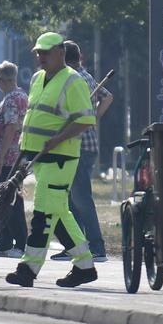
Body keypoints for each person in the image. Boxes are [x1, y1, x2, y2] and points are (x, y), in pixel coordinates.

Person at [3, 32, 100, 289]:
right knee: (59, 213)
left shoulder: (73, 81)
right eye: (38, 52)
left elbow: (85, 120)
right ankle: (84, 266)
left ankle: (27, 269)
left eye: (45, 52)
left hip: (61, 158)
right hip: (38, 157)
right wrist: (24, 150)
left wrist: (57, 139)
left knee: (43, 215)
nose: (40, 57)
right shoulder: (37, 79)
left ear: (60, 53)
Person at [50, 40, 113, 263]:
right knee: (69, 199)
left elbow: (105, 97)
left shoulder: (74, 78)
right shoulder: (85, 76)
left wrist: (89, 119)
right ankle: (75, 246)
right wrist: (94, 117)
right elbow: (107, 97)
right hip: (83, 145)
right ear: (81, 56)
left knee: (81, 199)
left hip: (80, 146)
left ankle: (96, 247)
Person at [0, 60, 28, 258]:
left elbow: (11, 128)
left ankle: (20, 244)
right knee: (4, 202)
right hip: (15, 157)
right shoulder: (21, 95)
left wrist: (0, 158)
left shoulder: (12, 99)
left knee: (11, 201)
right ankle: (3, 243)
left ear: (0, 80)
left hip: (9, 159)